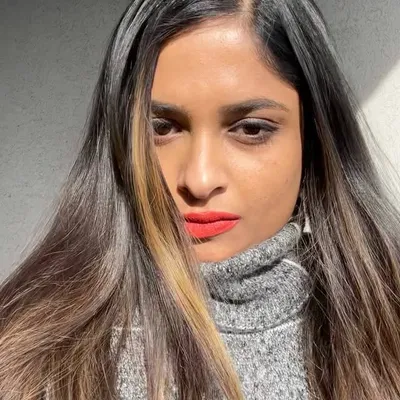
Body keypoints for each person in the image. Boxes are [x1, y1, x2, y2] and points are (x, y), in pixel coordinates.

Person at [1, 0, 400, 399]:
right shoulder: (33, 358)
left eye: (251, 129)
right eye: (161, 128)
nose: (199, 180)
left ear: (312, 140)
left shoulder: (386, 318)